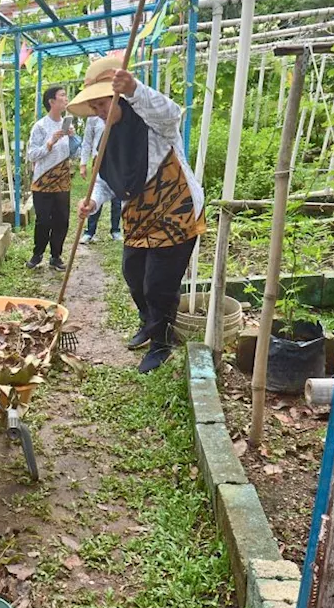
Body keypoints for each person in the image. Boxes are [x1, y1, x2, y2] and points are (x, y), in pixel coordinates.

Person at [71, 56, 205, 373]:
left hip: (175, 210)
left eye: (103, 104)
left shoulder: (152, 123)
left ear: (120, 98)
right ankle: (150, 322)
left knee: (158, 284)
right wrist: (93, 201)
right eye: (96, 109)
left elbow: (172, 114)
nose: (100, 113)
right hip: (139, 215)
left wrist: (135, 89)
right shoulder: (107, 136)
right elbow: (107, 180)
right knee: (133, 275)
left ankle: (161, 341)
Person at [25, 86, 74, 271]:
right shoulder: (40, 126)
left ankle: (56, 256)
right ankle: (37, 254)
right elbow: (32, 155)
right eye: (62, 95)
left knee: (62, 219)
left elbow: (73, 153)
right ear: (51, 102)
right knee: (43, 220)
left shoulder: (67, 124)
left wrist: (73, 137)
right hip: (43, 180)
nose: (65, 98)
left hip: (62, 179)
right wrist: (50, 142)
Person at [79, 113, 123, 243]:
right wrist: (83, 163)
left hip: (118, 160)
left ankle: (115, 230)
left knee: (117, 198)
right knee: (95, 195)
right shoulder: (93, 118)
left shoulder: (120, 115)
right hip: (98, 161)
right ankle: (89, 232)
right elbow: (87, 141)